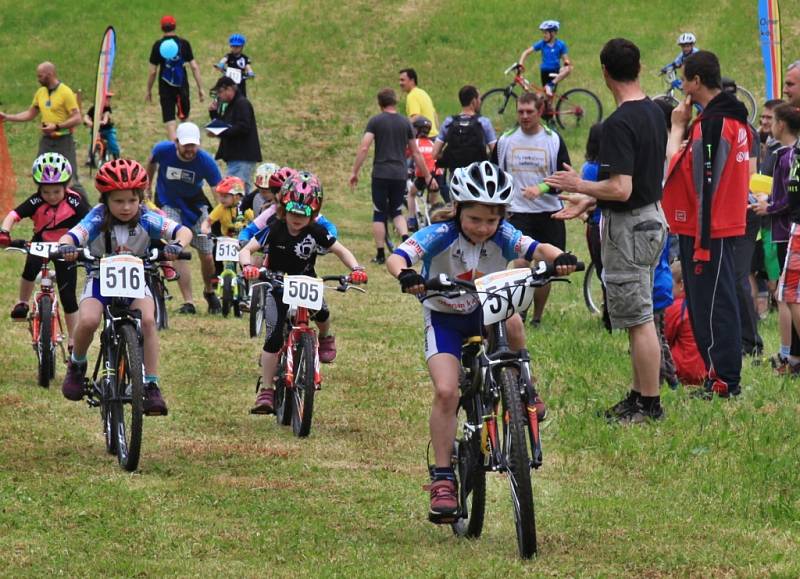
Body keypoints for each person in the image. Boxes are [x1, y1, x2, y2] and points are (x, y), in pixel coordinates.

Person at [386, 161, 577, 521]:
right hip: (443, 316)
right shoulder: (440, 232)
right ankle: (443, 477)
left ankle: (526, 391)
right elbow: (398, 257)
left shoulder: (503, 233)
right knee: (446, 391)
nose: (483, 228)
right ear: (457, 210)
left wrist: (560, 259)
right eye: (475, 219)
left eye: (491, 221)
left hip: (487, 311)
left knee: (515, 321)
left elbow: (538, 247)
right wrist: (408, 274)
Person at [545, 38, 668, 423]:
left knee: (639, 318)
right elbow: (639, 182)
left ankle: (649, 403)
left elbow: (621, 187)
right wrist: (590, 202)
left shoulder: (618, 123)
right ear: (640, 67)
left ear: (604, 72)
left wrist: (579, 186)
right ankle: (638, 395)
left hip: (631, 228)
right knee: (637, 315)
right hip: (650, 217)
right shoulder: (652, 111)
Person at [58, 159, 192, 414]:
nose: (126, 207)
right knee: (87, 321)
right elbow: (74, 234)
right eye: (118, 201)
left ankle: (151, 385)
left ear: (140, 198)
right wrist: (66, 246)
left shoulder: (146, 217)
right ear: (106, 200)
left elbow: (181, 231)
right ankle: (76, 366)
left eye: (132, 200)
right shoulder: (97, 216)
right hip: (99, 278)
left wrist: (177, 245)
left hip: (135, 279)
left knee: (149, 321)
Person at [662, 50, 751, 399]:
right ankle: (721, 376)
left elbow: (698, 180)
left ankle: (725, 381)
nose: (682, 86)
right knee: (716, 301)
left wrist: (677, 127)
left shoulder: (712, 124)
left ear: (696, 81)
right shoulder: (734, 119)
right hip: (719, 226)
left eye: (684, 79)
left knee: (713, 306)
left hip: (707, 230)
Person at [240, 172, 367, 414]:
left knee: (322, 312)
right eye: (293, 212)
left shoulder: (317, 231)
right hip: (276, 281)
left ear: (314, 213)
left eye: (304, 214)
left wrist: (356, 269)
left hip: (305, 281)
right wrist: (248, 267)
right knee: (274, 337)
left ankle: (325, 338)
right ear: (283, 209)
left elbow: (341, 250)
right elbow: (248, 248)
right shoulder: (274, 228)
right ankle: (266, 389)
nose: (297, 219)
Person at [491, 91, 570, 326]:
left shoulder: (552, 139)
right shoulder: (505, 140)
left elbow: (565, 175)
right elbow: (495, 175)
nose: (524, 116)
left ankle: (537, 316)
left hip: (549, 212)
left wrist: (542, 188)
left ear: (540, 112)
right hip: (518, 211)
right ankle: (520, 311)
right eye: (520, 111)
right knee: (522, 264)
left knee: (546, 269)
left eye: (529, 112)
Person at [0, 153, 89, 346]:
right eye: (46, 191)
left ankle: (73, 338)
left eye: (56, 191)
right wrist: (5, 232)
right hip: (41, 241)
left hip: (67, 246)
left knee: (68, 295)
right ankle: (22, 302)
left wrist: (87, 243)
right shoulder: (36, 201)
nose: (51, 196)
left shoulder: (75, 201)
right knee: (30, 268)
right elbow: (13, 215)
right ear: (39, 188)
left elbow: (91, 221)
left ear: (66, 186)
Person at [349, 88, 438, 264]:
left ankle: (381, 254)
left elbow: (364, 147)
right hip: (399, 174)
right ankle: (406, 244)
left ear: (380, 104)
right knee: (397, 211)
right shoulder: (405, 123)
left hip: (381, 173)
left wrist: (354, 172)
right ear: (395, 102)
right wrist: (427, 176)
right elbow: (416, 152)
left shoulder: (376, 121)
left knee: (379, 213)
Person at [145, 122, 222, 314]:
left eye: (193, 145)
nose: (190, 150)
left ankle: (210, 291)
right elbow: (151, 163)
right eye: (186, 145)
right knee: (177, 247)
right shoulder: (163, 150)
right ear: (176, 142)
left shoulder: (206, 161)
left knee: (207, 253)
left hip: (195, 206)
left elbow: (218, 192)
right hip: (168, 202)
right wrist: (146, 187)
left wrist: (219, 217)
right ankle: (189, 302)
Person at [753, 103, 800, 373]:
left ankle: (787, 354)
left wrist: (767, 206)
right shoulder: (787, 154)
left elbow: (787, 198)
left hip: (784, 232)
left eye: (772, 119)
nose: (768, 123)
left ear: (781, 125)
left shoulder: (787, 156)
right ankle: (789, 354)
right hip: (786, 231)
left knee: (785, 295)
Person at [0, 62, 87, 198]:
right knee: (41, 174)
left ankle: (84, 209)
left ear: (50, 74)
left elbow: (77, 118)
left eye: (40, 76)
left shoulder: (65, 92)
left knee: (71, 178)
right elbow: (30, 114)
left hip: (63, 140)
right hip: (46, 141)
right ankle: (45, 207)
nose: (38, 79)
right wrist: (7, 117)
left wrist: (57, 126)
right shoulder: (41, 92)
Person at [146, 15, 205, 141]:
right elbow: (194, 67)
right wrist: (201, 88)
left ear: (162, 28)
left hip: (165, 85)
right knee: (184, 118)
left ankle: (174, 150)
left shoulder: (157, 45)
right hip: (182, 84)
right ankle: (186, 144)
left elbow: (152, 72)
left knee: (170, 120)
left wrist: (148, 90)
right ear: (175, 26)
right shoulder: (184, 44)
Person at [207, 76, 262, 195]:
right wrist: (213, 113)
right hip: (236, 158)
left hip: (242, 157)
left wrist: (220, 131)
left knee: (237, 193)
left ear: (229, 89)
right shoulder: (232, 106)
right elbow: (224, 125)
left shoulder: (242, 104)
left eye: (220, 92)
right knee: (234, 193)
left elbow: (244, 127)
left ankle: (242, 213)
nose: (219, 96)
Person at [432, 85, 497, 176]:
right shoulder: (484, 123)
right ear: (473, 101)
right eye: (479, 99)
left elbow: (434, 154)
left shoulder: (449, 122)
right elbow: (496, 153)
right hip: (477, 176)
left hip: (456, 177)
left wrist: (452, 156)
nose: (480, 101)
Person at [664, 262, 705, 385]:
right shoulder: (703, 304)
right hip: (708, 370)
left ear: (681, 284)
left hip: (685, 371)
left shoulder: (676, 307)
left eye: (669, 285)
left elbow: (665, 338)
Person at [406, 116, 444, 230]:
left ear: (416, 130)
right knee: (432, 205)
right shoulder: (432, 143)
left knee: (411, 194)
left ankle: (412, 219)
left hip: (424, 176)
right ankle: (431, 224)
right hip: (438, 175)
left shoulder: (415, 143)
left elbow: (407, 155)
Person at [517, 20, 572, 96]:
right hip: (545, 72)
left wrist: (566, 63)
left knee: (568, 69)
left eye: (546, 33)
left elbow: (565, 59)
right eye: (543, 33)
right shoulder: (542, 43)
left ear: (553, 33)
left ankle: (550, 85)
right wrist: (520, 63)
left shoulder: (560, 45)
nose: (544, 35)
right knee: (546, 98)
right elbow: (526, 52)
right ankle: (547, 90)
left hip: (555, 72)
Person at [399, 68, 439, 137]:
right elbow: (435, 116)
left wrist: (400, 128)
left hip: (424, 137)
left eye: (403, 80)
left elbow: (415, 117)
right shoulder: (423, 93)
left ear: (412, 81)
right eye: (399, 80)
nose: (400, 83)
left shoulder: (412, 95)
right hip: (434, 137)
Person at [83, 92, 121, 161]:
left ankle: (117, 158)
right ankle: (90, 159)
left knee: (113, 143)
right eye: (107, 100)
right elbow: (86, 117)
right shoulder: (93, 108)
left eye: (109, 100)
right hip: (96, 130)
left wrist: (99, 122)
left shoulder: (107, 109)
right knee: (93, 143)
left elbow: (105, 120)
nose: (109, 102)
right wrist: (89, 122)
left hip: (108, 130)